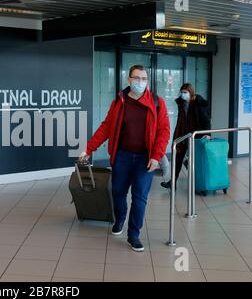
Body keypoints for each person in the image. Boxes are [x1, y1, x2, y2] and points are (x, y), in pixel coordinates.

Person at [80, 65, 170, 252]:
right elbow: (106, 127)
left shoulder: (157, 102)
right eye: (137, 78)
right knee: (118, 193)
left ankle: (134, 235)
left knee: (140, 198)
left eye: (144, 79)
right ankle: (120, 218)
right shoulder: (119, 101)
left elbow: (164, 132)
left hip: (145, 158)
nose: (141, 82)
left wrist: (156, 156)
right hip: (122, 155)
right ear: (129, 80)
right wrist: (89, 149)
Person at [161, 83, 211, 189]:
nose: (183, 95)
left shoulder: (199, 103)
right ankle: (172, 182)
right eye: (182, 92)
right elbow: (181, 120)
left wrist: (207, 134)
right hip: (183, 134)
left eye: (185, 92)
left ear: (191, 93)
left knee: (196, 160)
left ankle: (199, 183)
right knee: (178, 156)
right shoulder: (181, 103)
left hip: (196, 136)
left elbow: (206, 120)